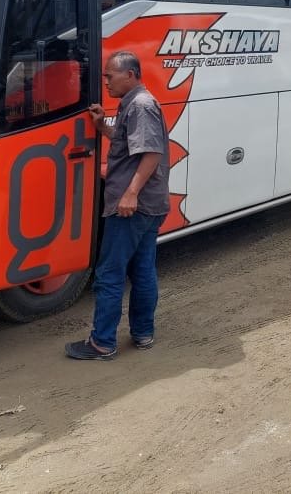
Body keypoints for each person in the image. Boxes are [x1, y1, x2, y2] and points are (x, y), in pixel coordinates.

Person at [66, 51, 170, 360]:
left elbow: (151, 153)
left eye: (110, 76)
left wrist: (130, 193)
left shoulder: (140, 105)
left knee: (109, 273)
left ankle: (102, 343)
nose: (106, 81)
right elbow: (130, 144)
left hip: (134, 207)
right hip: (149, 205)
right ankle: (143, 333)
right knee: (142, 270)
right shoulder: (135, 103)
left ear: (131, 75)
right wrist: (103, 128)